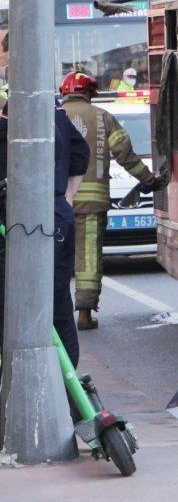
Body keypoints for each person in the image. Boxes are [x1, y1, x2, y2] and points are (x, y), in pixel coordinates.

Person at [59, 71, 157, 330]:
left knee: (56, 257)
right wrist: (149, 180)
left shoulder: (52, 117)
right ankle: (85, 312)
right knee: (88, 257)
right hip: (92, 204)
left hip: (55, 205)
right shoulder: (103, 118)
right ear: (89, 92)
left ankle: (53, 316)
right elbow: (126, 156)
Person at [0, 97, 89, 366]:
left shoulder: (11, 117)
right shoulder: (55, 111)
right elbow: (80, 153)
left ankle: (23, 375)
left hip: (19, 222)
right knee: (57, 301)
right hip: (56, 216)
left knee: (13, 300)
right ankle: (65, 382)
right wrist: (66, 198)